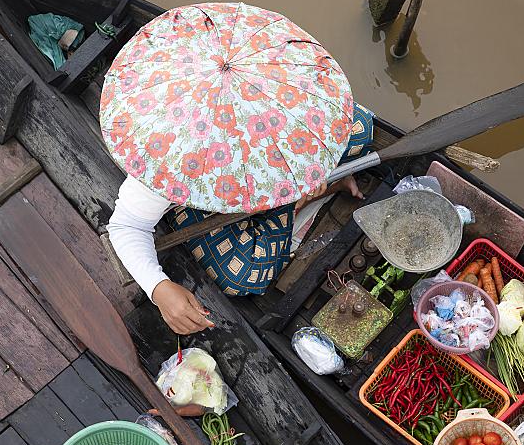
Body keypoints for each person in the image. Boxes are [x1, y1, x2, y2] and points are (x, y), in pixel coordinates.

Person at [108, 103, 376, 335]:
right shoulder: (168, 160)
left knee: (359, 125)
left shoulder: (269, 98)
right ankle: (296, 199)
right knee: (243, 276)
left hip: (274, 166)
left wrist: (309, 168)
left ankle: (299, 193)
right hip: (196, 201)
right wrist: (159, 288)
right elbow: (126, 226)